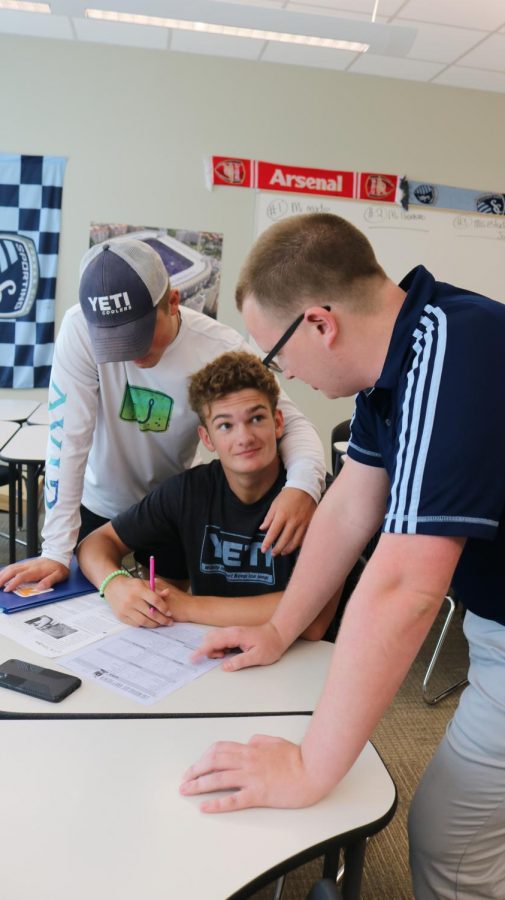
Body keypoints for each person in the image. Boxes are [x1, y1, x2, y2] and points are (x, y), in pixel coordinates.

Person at [179, 213, 505, 900]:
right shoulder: (401, 362)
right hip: (494, 620)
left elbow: (402, 588)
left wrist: (309, 769)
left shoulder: (451, 347)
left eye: (277, 355)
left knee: (451, 839)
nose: (285, 375)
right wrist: (277, 628)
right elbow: (350, 508)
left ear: (318, 323)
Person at [0, 237, 326, 594]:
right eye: (115, 339)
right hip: (97, 498)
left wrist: (302, 487)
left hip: (169, 504)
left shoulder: (218, 346)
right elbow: (68, 437)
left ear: (173, 302)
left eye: (140, 334)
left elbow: (290, 422)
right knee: (88, 603)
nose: (130, 352)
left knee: (168, 604)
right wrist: (55, 551)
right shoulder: (79, 329)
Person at [76, 351, 338, 638]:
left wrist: (188, 606)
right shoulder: (189, 491)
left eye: (256, 419)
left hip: (302, 663)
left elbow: (313, 621)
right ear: (207, 438)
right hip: (213, 655)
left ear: (278, 423)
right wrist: (114, 585)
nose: (244, 438)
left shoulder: (314, 498)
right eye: (226, 425)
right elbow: (95, 544)